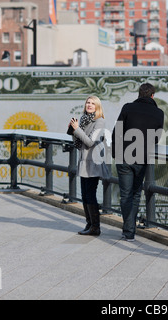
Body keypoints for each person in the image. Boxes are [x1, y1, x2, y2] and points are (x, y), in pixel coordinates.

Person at [111, 83, 164, 241]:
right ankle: (129, 231)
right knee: (135, 194)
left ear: (139, 94)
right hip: (142, 158)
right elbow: (156, 137)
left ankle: (128, 231)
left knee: (125, 195)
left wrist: (115, 152)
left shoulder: (127, 108)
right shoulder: (158, 113)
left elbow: (117, 131)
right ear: (153, 96)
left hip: (123, 156)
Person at [68, 96, 107, 236]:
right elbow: (79, 141)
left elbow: (90, 142)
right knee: (85, 195)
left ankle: (96, 227)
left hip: (93, 163)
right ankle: (89, 224)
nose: (89, 105)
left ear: (97, 106)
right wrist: (73, 131)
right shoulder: (84, 119)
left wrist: (77, 129)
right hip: (84, 162)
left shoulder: (100, 121)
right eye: (87, 103)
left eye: (92, 103)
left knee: (90, 195)